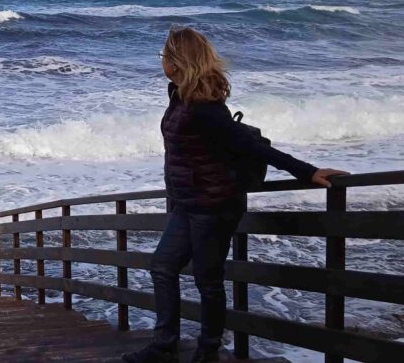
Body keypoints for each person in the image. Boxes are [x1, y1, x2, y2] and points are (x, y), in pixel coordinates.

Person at [123, 27, 349, 363]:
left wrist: (307, 171)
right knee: (163, 267)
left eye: (164, 56)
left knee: (207, 279)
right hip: (188, 202)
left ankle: (208, 349)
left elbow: (251, 146)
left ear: (178, 60)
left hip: (213, 205)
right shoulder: (180, 96)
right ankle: (164, 345)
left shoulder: (205, 107)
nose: (162, 62)